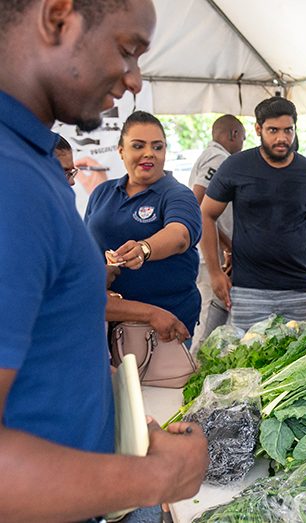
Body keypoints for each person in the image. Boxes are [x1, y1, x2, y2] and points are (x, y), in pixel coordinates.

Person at [0, 1, 207, 520]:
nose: (135, 79)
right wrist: (159, 477)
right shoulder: (11, 180)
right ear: (58, 17)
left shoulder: (33, 160)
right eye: (127, 50)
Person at [201, 96, 306, 329]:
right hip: (248, 292)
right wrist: (215, 273)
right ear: (258, 129)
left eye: (288, 130)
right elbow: (206, 214)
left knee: (302, 364)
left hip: (301, 290)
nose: (281, 138)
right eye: (273, 130)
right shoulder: (236, 166)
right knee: (247, 362)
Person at [86, 111, 202, 343]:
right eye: (138, 146)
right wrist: (97, 279)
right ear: (121, 151)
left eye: (157, 147)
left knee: (157, 381)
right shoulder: (103, 192)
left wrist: (144, 249)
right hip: (106, 321)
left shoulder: (177, 194)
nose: (149, 153)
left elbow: (179, 235)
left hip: (163, 326)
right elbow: (86, 246)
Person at [189, 114, 245, 348]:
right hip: (211, 255)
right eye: (243, 137)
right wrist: (225, 243)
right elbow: (197, 202)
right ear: (233, 134)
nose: (243, 143)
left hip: (213, 251)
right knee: (210, 314)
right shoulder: (219, 158)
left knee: (217, 315)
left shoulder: (210, 154)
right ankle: (195, 368)